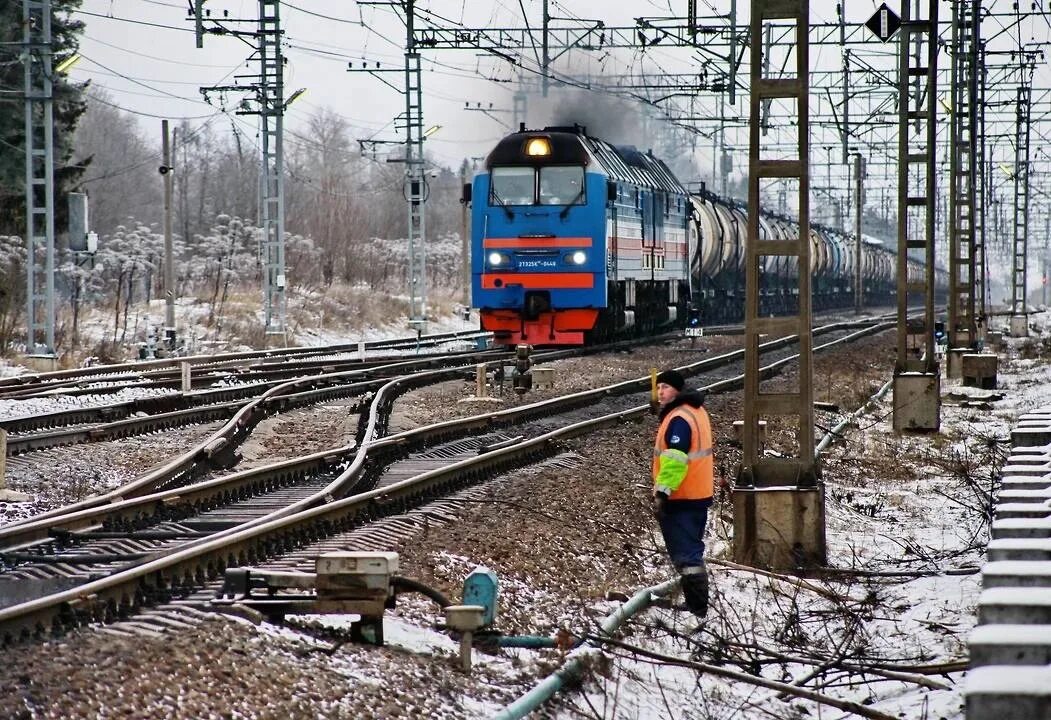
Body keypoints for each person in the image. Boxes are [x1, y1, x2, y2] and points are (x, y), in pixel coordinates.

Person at [652, 369, 714, 618]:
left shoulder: (679, 418)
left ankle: (696, 609)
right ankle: (696, 606)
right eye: (658, 388)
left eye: (665, 387)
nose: (660, 392)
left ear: (676, 390)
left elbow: (675, 459)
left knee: (688, 557)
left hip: (682, 498)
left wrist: (662, 493)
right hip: (696, 495)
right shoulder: (695, 411)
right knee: (691, 553)